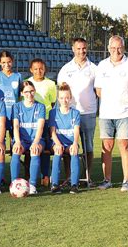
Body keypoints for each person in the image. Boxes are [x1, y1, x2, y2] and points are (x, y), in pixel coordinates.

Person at [94, 35, 128, 192]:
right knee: (106, 147)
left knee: (124, 145)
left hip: (125, 114)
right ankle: (106, 180)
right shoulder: (102, 65)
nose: (116, 50)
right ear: (108, 48)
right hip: (106, 114)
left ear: (123, 48)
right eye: (113, 48)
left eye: (119, 47)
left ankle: (126, 181)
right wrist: (111, 102)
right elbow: (99, 90)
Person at [57, 38, 97, 185]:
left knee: (88, 146)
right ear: (73, 49)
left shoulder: (94, 68)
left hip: (88, 113)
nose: (81, 51)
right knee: (68, 146)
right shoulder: (65, 69)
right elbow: (61, 91)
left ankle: (88, 177)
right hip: (70, 113)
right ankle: (69, 177)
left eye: (84, 48)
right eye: (78, 48)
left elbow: (98, 91)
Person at [10, 81, 46, 195]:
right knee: (16, 150)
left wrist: (35, 142)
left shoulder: (40, 106)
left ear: (34, 91)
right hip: (21, 140)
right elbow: (15, 126)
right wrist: (17, 142)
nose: (29, 94)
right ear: (21, 93)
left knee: (35, 150)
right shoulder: (16, 107)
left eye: (31, 91)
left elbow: (40, 128)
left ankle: (33, 185)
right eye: (26, 92)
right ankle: (14, 184)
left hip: (37, 139)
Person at [26, 58, 56, 187]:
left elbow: (53, 102)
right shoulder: (26, 83)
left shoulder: (50, 84)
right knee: (29, 148)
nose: (39, 71)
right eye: (36, 69)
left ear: (45, 69)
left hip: (46, 120)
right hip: (30, 121)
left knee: (44, 149)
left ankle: (45, 175)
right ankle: (29, 175)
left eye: (41, 68)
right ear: (31, 70)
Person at [49, 83, 81, 194]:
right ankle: (55, 184)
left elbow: (76, 130)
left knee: (73, 151)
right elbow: (52, 132)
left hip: (70, 143)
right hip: (58, 143)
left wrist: (75, 143)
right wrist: (57, 143)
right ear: (58, 99)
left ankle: (74, 184)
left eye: (67, 97)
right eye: (62, 98)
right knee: (58, 150)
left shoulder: (75, 113)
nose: (65, 100)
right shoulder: (53, 113)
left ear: (71, 98)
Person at [0, 51, 22, 148]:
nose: (6, 64)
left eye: (9, 62)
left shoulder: (18, 76)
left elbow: (21, 95)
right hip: (1, 114)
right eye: (4, 62)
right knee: (1, 141)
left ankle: (16, 161)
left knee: (16, 141)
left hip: (15, 113)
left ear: (12, 61)